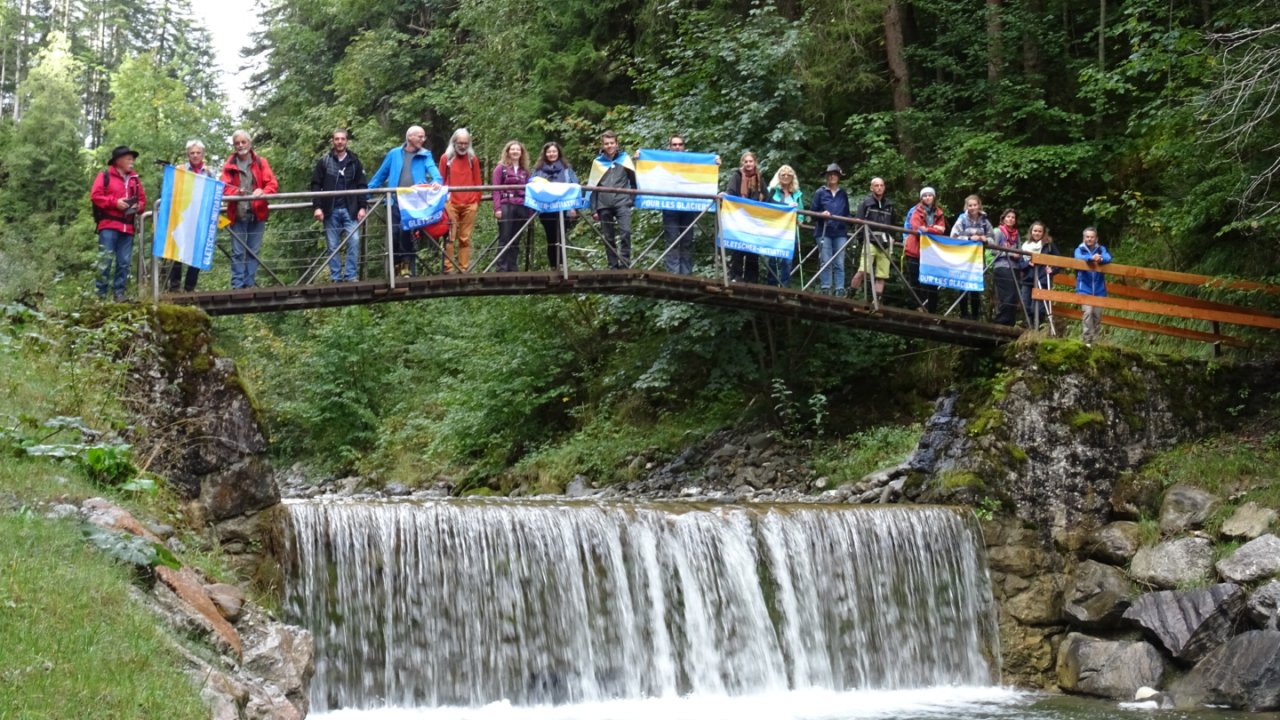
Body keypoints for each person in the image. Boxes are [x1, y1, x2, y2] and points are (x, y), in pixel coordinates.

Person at [368, 125, 443, 277]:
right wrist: (365, 194)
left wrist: (436, 181)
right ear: (409, 137)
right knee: (395, 234)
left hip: (413, 203)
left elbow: (434, 172)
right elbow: (380, 175)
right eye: (420, 136)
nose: (423, 139)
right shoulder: (394, 154)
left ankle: (408, 270)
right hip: (394, 201)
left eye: (424, 137)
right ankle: (397, 268)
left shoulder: (425, 154)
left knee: (406, 234)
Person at [220, 130, 279, 289]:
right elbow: (223, 188)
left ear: (249, 143)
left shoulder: (261, 162)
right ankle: (237, 285)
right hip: (237, 214)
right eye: (237, 143)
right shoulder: (229, 164)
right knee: (238, 252)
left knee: (253, 251)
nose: (240, 145)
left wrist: (263, 192)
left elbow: (272, 184)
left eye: (243, 142)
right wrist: (235, 193)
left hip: (257, 213)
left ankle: (249, 284)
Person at [310, 128, 368, 282]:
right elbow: (315, 185)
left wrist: (363, 207)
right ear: (333, 141)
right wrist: (317, 207)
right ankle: (335, 277)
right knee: (332, 245)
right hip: (330, 210)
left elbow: (362, 185)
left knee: (354, 241)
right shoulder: (324, 161)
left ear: (346, 141)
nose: (340, 142)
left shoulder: (354, 162)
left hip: (351, 210)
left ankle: (351, 276)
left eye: (342, 139)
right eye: (337, 139)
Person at [89, 145, 146, 301]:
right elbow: (96, 196)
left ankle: (119, 293)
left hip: (128, 228)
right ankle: (100, 295)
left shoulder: (135, 179)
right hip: (108, 225)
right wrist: (115, 203)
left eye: (132, 158)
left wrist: (137, 207)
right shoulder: (105, 176)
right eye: (128, 158)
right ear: (118, 160)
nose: (131, 161)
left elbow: (142, 201)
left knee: (124, 262)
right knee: (105, 260)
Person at [650, 134, 701, 275]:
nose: (677, 147)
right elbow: (650, 168)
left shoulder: (692, 161)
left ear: (683, 147)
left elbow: (702, 173)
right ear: (669, 147)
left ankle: (686, 274)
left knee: (687, 240)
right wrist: (640, 157)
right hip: (670, 206)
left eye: (680, 144)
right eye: (674, 145)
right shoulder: (663, 161)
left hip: (688, 206)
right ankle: (673, 273)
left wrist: (714, 162)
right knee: (672, 239)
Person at [167, 140, 213, 292]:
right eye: (192, 153)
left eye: (198, 153)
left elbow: (213, 193)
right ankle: (174, 286)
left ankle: (189, 287)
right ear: (188, 154)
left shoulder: (208, 172)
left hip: (200, 217)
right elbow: (172, 190)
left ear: (203, 154)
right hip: (183, 215)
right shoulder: (180, 170)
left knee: (197, 250)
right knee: (178, 250)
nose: (195, 155)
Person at [588, 130, 637, 269]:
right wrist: (593, 209)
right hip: (604, 203)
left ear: (616, 144)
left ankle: (625, 264)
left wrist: (631, 199)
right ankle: (613, 265)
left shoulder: (625, 159)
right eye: (606, 143)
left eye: (612, 143)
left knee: (626, 232)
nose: (609, 146)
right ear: (602, 145)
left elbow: (634, 181)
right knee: (608, 237)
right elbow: (593, 186)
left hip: (622, 202)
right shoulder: (597, 163)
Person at [438, 128, 483, 273]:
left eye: (466, 143)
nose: (463, 146)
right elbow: (441, 180)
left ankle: (463, 269)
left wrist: (476, 200)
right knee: (450, 237)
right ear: (454, 142)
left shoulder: (472, 159)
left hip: (469, 204)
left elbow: (478, 181)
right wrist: (444, 201)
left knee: (465, 237)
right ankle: (448, 268)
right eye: (460, 143)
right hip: (451, 204)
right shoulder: (446, 158)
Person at [531, 141, 579, 270]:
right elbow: (532, 186)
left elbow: (575, 186)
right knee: (551, 237)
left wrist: (574, 207)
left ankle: (562, 265)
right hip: (546, 210)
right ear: (545, 154)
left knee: (561, 235)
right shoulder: (538, 170)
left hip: (563, 208)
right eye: (549, 152)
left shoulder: (567, 169)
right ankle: (553, 265)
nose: (551, 154)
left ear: (558, 153)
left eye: (554, 151)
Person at [949, 195, 993, 320]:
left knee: (975, 286)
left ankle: (975, 316)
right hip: (963, 257)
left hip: (978, 258)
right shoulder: (962, 219)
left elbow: (992, 239)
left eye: (975, 205)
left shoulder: (984, 221)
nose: (973, 208)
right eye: (970, 205)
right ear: (966, 206)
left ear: (979, 205)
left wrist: (986, 240)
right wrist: (969, 238)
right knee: (962, 286)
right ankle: (963, 314)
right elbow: (953, 236)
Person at [810, 163, 852, 295]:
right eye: (830, 174)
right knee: (826, 260)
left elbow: (847, 213)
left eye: (835, 174)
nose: (832, 177)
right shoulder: (820, 192)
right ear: (827, 177)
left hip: (840, 231)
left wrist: (853, 220)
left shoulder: (843, 194)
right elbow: (812, 213)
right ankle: (826, 288)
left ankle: (839, 289)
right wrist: (821, 214)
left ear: (839, 177)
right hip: (824, 231)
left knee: (839, 262)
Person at [491, 140, 532, 272]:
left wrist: (530, 211)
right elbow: (495, 189)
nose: (515, 152)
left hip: (521, 206)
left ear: (521, 153)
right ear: (508, 152)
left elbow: (530, 191)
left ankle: (512, 267)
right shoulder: (500, 168)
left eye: (518, 150)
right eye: (512, 149)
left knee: (516, 239)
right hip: (506, 205)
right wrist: (497, 208)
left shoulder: (525, 171)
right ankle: (501, 268)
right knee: (505, 237)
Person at [904, 187, 946, 312]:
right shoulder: (916, 211)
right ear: (921, 198)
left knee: (932, 281)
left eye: (930, 195)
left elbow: (942, 230)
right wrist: (934, 228)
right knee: (915, 279)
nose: (927, 198)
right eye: (925, 195)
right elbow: (916, 228)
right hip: (915, 250)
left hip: (932, 252)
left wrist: (927, 229)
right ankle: (918, 306)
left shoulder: (939, 213)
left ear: (934, 197)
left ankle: (932, 309)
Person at [853, 176, 896, 298]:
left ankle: (876, 302)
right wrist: (861, 239)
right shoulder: (866, 204)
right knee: (862, 271)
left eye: (881, 185)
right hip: (870, 240)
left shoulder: (890, 205)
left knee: (882, 275)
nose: (879, 188)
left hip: (885, 243)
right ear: (871, 188)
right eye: (876, 185)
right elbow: (859, 221)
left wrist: (892, 237)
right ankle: (851, 296)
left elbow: (893, 224)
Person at [767, 165, 803, 286]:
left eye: (789, 175)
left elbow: (801, 213)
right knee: (772, 259)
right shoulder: (771, 191)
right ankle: (772, 285)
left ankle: (784, 286)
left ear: (793, 177)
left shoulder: (796, 194)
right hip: (774, 229)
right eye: (783, 174)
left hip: (790, 231)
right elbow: (765, 206)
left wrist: (799, 218)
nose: (786, 177)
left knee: (787, 260)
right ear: (779, 176)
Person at [1074, 227, 1111, 345]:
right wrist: (1091, 258)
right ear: (1084, 238)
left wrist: (1100, 259)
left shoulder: (1101, 249)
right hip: (1084, 288)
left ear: (1096, 238)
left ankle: (1096, 341)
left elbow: (1108, 258)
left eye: (1092, 237)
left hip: (1099, 289)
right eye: (1087, 237)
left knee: (1097, 315)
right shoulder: (1080, 249)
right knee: (1088, 313)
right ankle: (1087, 340)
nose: (1089, 239)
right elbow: (1078, 257)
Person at [1021, 221, 1059, 330]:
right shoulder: (1025, 245)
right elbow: (1020, 263)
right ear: (1031, 231)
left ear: (1043, 233)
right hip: (1028, 279)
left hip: (1042, 279)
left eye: (1039, 231)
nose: (1037, 233)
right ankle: (1029, 329)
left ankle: (1037, 329)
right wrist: (1027, 264)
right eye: (1035, 231)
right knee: (1026, 306)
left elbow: (1059, 260)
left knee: (1038, 309)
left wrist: (1053, 270)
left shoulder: (1049, 245)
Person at [990, 208, 1023, 326]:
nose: (1011, 219)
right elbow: (993, 250)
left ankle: (1010, 322)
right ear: (1003, 218)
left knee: (1014, 295)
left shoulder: (1016, 233)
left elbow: (1020, 248)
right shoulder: (998, 231)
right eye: (1008, 217)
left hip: (1015, 267)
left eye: (1013, 217)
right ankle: (1000, 320)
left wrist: (1019, 254)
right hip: (1002, 266)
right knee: (1007, 294)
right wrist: (1010, 253)